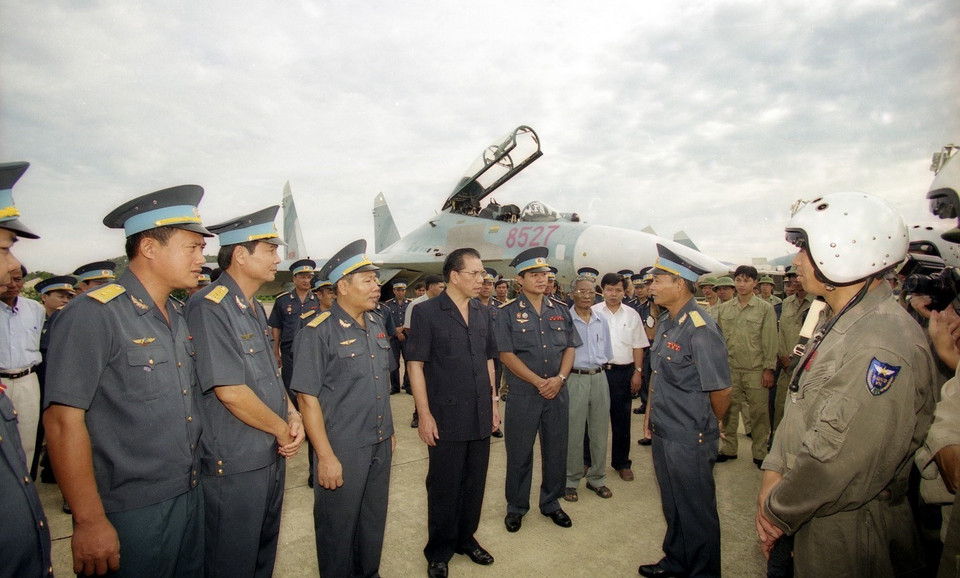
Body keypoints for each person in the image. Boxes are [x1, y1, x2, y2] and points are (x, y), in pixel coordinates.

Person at [756, 192, 937, 576]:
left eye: (804, 250)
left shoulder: (881, 343)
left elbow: (836, 463)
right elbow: (800, 407)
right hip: (808, 510)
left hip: (846, 532)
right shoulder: (839, 320)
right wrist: (772, 474)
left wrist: (775, 510)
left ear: (841, 252)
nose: (795, 260)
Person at [44, 184, 211, 577]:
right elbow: (62, 422)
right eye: (192, 247)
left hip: (188, 491)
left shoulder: (177, 313)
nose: (202, 259)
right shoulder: (93, 315)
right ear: (150, 248)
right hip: (128, 509)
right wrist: (88, 522)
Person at [186, 205, 305, 577]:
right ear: (240, 254)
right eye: (269, 250)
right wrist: (282, 428)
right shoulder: (209, 307)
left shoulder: (251, 306)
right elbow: (230, 391)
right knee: (231, 560)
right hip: (234, 463)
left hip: (267, 453)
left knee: (261, 555)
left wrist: (293, 413)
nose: (278, 258)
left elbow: (271, 373)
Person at [291, 239, 396, 578]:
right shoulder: (316, 331)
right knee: (337, 527)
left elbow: (382, 383)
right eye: (367, 280)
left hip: (379, 441)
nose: (376, 286)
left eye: (376, 280)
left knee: (372, 520)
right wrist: (324, 456)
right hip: (342, 447)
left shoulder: (377, 324)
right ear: (343, 287)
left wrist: (389, 433)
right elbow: (307, 399)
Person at [638, 244, 731, 578]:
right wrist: (650, 415)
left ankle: (703, 572)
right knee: (674, 506)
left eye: (657, 279)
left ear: (679, 284)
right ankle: (677, 561)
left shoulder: (700, 328)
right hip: (665, 429)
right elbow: (659, 374)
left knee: (697, 512)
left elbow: (721, 389)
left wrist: (709, 424)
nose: (651, 285)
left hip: (690, 435)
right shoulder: (667, 322)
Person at [406, 248, 500, 578]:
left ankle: (466, 538)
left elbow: (489, 359)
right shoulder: (427, 313)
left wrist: (493, 403)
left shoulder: (483, 312)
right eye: (474, 273)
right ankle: (439, 549)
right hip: (445, 416)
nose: (482, 279)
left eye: (483, 273)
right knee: (444, 485)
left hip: (479, 411)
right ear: (454, 276)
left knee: (475, 482)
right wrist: (424, 414)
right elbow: (415, 364)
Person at [495, 247, 580, 532]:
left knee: (556, 450)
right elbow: (506, 354)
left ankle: (552, 503)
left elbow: (570, 347)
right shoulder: (506, 313)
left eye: (545, 274)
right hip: (523, 394)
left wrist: (559, 379)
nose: (542, 279)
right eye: (535, 275)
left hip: (557, 391)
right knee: (519, 453)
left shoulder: (560, 309)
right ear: (520, 280)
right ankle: (516, 506)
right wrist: (538, 382)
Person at [0, 160, 52, 578]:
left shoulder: (33, 310)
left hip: (25, 382)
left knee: (22, 464)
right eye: (4, 248)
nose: (13, 267)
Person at [715, 265, 777, 467]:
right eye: (738, 280)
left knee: (759, 413)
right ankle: (729, 448)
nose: (741, 285)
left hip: (755, 370)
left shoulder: (765, 309)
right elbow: (717, 340)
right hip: (730, 368)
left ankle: (760, 452)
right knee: (729, 411)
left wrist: (769, 369)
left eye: (746, 280)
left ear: (755, 283)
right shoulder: (724, 309)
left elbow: (770, 340)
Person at [592, 272, 648, 481]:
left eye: (618, 290)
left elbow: (638, 346)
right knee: (594, 419)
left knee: (622, 421)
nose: (613, 294)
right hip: (597, 372)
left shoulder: (632, 314)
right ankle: (588, 460)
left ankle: (622, 463)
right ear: (602, 291)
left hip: (623, 373)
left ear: (624, 292)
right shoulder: (593, 311)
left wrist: (638, 373)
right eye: (609, 289)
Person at [564, 275, 613, 502]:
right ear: (572, 293)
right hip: (575, 379)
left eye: (592, 292)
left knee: (600, 431)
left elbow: (607, 351)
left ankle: (597, 478)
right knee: (574, 432)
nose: (587, 295)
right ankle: (571, 481)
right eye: (582, 291)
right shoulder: (565, 319)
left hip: (600, 378)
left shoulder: (601, 319)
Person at [0, 264, 45, 468]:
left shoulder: (35, 309)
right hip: (1, 381)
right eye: (7, 279)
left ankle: (23, 494)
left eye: (17, 279)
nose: (12, 285)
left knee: (27, 440)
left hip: (28, 381)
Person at [771, 266, 813, 435]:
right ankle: (775, 441)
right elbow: (781, 334)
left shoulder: (819, 303)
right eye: (792, 277)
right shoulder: (786, 303)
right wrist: (783, 356)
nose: (796, 280)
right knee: (780, 405)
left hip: (807, 367)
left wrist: (797, 360)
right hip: (786, 366)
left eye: (798, 276)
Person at [268, 258, 320, 394]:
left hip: (312, 350)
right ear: (294, 279)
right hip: (289, 352)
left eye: (309, 277)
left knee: (311, 386)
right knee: (290, 386)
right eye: (302, 277)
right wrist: (276, 352)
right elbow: (276, 327)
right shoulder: (282, 300)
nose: (306, 280)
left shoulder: (318, 300)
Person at [405, 274, 445, 425]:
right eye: (440, 287)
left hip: (438, 353)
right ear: (431, 287)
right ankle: (418, 415)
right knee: (420, 383)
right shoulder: (416, 305)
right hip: (420, 351)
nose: (443, 289)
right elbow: (408, 328)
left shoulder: (443, 304)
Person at [383, 280, 411, 394]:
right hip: (394, 338)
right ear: (394, 291)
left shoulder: (409, 303)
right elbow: (386, 321)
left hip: (407, 336)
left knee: (408, 361)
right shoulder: (388, 304)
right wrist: (396, 332)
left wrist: (403, 330)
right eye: (398, 290)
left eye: (403, 290)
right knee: (394, 362)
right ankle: (395, 387)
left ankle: (408, 385)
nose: (400, 292)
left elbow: (412, 319)